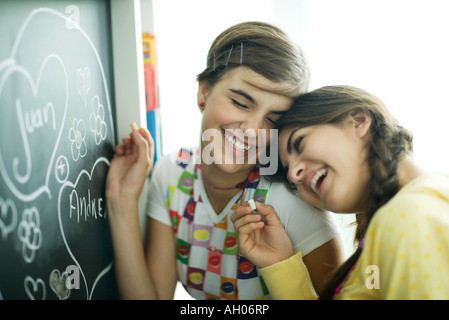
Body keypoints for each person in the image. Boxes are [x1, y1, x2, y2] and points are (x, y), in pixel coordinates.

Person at [105, 22, 345, 300]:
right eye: (241, 103)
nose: (252, 131)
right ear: (203, 92)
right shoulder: (171, 175)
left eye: (273, 120)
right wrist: (121, 201)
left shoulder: (294, 201)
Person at [231, 85, 449, 299]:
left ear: (358, 121)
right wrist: (280, 262)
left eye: (299, 142)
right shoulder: (400, 221)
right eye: (288, 169)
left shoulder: (409, 216)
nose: (293, 175)